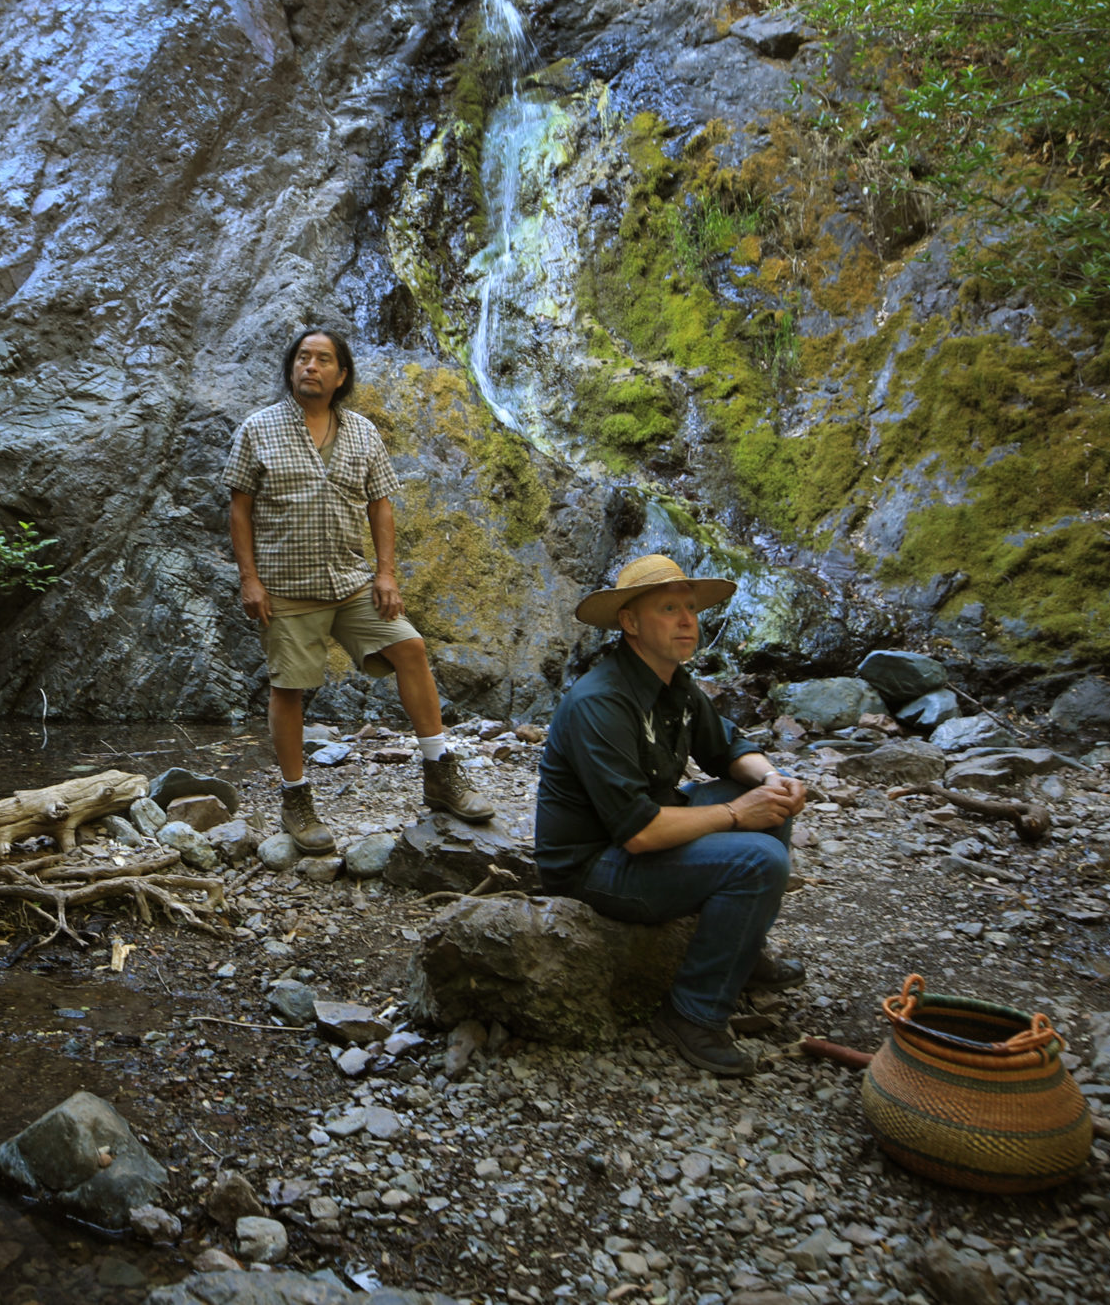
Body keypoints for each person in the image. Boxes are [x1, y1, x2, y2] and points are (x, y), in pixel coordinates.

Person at [535, 554, 808, 1077]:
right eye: (669, 608)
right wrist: (734, 813)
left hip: (645, 829)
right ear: (630, 623)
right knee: (760, 859)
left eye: (690, 607)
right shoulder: (601, 701)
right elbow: (638, 833)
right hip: (593, 866)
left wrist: (771, 781)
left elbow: (726, 748)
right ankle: (692, 1014)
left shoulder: (673, 682)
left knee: (768, 809)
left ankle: (739, 956)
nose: (688, 620)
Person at [223, 326, 494, 854]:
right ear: (291, 368)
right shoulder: (258, 429)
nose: (310, 367)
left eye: (323, 359)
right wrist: (249, 579)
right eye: (303, 358)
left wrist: (386, 573)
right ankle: (296, 798)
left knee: (410, 647)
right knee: (288, 688)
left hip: (351, 582)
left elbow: (381, 505)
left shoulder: (363, 433)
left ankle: (439, 772)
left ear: (341, 374)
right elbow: (240, 507)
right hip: (287, 588)